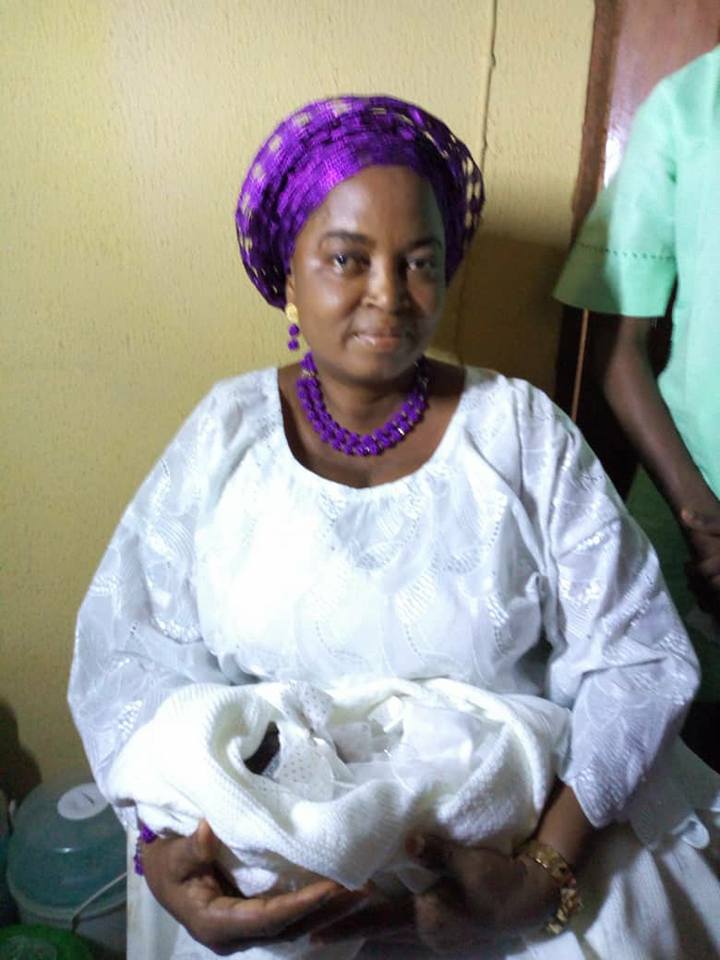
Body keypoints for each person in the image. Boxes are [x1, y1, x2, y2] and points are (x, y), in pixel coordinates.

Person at [69, 95, 720, 960]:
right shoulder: (226, 436)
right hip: (273, 870)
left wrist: (541, 875)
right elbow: (130, 660)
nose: (389, 294)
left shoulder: (519, 433)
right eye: (348, 258)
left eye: (420, 263)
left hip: (514, 854)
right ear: (288, 276)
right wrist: (165, 858)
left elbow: (635, 658)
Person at [554, 48, 720, 660]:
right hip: (689, 489)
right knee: (665, 693)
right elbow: (617, 346)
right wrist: (700, 517)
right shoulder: (688, 107)